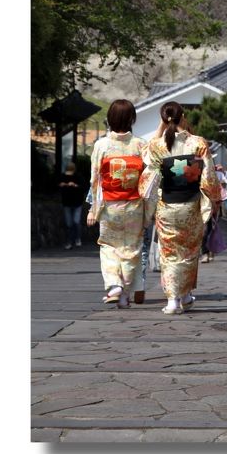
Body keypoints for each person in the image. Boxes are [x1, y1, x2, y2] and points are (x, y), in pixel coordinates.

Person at [143, 102, 222, 314]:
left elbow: (148, 173)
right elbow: (208, 177)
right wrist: (215, 198)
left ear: (163, 119)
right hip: (191, 204)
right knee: (189, 251)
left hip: (167, 204)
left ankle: (174, 299)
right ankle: (184, 295)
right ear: (183, 116)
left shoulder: (157, 146)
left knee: (169, 252)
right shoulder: (198, 143)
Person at [86, 99, 153, 309]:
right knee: (132, 250)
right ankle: (123, 292)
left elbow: (95, 180)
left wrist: (93, 209)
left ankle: (114, 286)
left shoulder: (101, 145)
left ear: (109, 119)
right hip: (134, 205)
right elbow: (149, 179)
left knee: (109, 246)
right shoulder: (141, 145)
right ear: (132, 118)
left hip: (110, 206)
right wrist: (149, 211)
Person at [58, 162, 87, 250]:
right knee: (69, 223)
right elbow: (56, 185)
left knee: (76, 221)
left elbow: (84, 187)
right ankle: (69, 241)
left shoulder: (78, 176)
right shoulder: (62, 176)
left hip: (77, 203)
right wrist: (61, 185)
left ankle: (77, 238)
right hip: (67, 202)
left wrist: (75, 185)